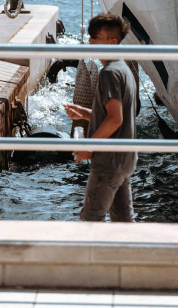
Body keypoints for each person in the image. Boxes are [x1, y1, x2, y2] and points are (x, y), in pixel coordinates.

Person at [64, 12, 136, 223]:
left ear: (112, 42)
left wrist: (89, 148)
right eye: (90, 36)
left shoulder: (109, 73)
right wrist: (83, 112)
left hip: (108, 161)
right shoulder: (123, 69)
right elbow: (114, 115)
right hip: (124, 159)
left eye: (96, 37)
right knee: (124, 221)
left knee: (90, 219)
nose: (90, 41)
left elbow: (115, 119)